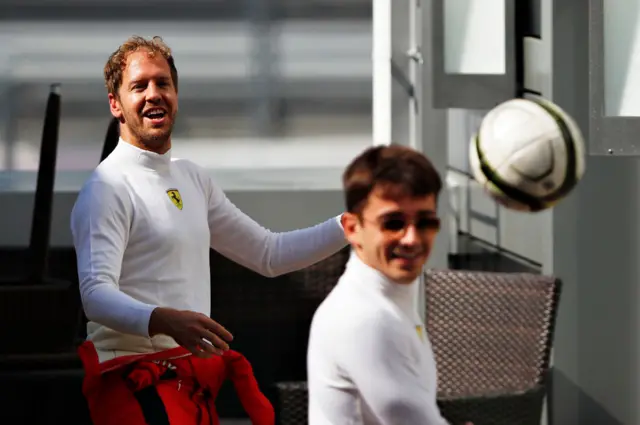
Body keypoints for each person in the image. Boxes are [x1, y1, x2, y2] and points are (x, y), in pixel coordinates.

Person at [70, 35, 347, 425]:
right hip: (135, 386)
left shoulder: (192, 177)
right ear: (116, 104)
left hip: (191, 384)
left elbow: (269, 255)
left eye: (163, 83)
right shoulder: (107, 187)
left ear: (177, 95)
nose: (154, 94)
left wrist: (350, 225)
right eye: (139, 86)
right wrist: (165, 320)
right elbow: (95, 296)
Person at [307, 145, 470, 424]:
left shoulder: (383, 301)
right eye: (393, 223)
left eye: (425, 222)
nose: (412, 239)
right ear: (352, 229)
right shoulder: (367, 319)